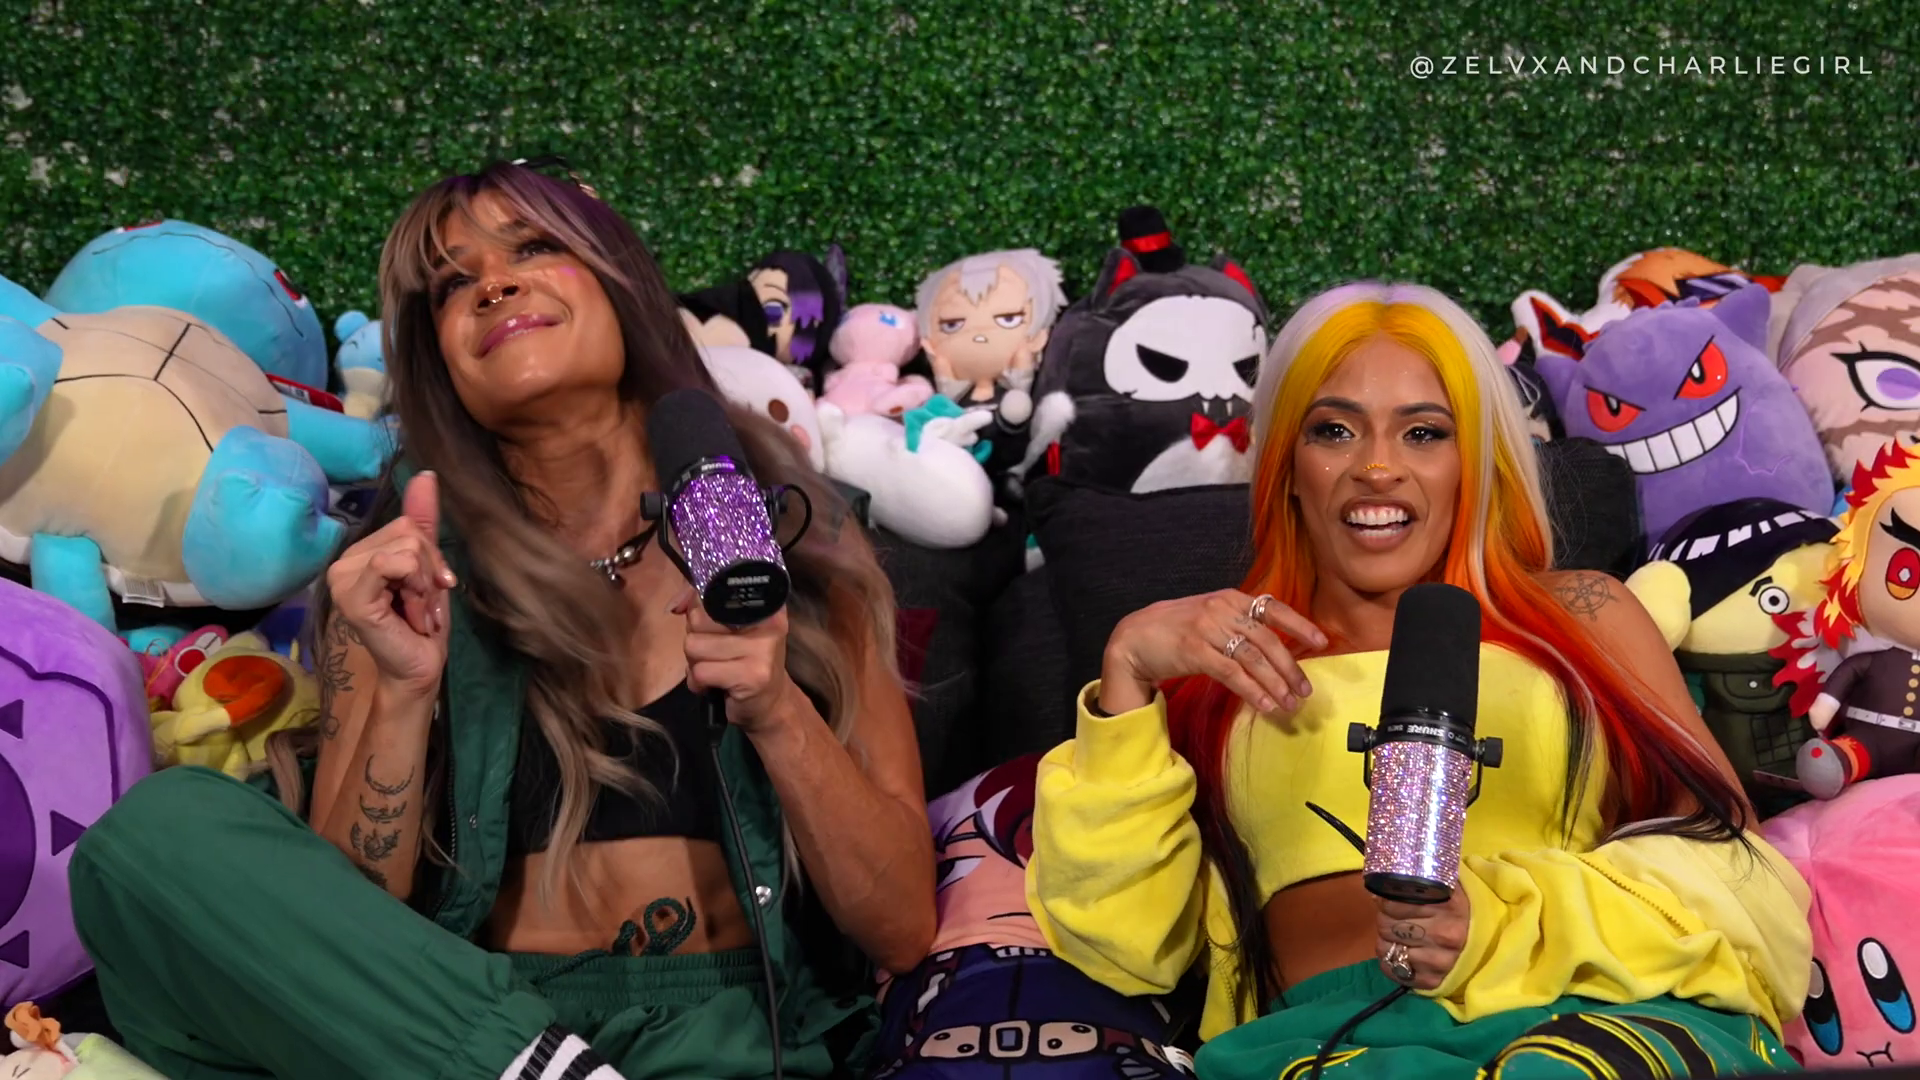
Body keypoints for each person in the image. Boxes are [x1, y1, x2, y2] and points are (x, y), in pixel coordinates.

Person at [66, 160, 937, 1080]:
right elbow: (343, 939)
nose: (493, 284)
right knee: (147, 840)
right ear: (438, 358)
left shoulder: (794, 536)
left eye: (532, 248)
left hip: (718, 1038)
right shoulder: (400, 567)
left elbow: (902, 927)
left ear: (619, 281)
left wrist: (776, 709)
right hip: (454, 1030)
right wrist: (404, 691)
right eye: (452, 283)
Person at [1024, 282, 1814, 1078]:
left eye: (1424, 433)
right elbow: (1121, 945)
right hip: (1328, 1046)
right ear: (1286, 465)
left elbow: (1745, 886)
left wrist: (1501, 923)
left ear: (1476, 462)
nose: (1377, 468)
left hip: (1586, 1016)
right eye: (1334, 430)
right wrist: (1126, 673)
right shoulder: (1215, 668)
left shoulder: (1584, 614)